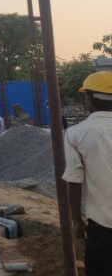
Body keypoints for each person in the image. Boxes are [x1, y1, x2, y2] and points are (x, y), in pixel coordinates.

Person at [63, 71, 112, 275]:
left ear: (89, 99)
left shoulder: (76, 134)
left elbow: (74, 182)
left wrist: (77, 220)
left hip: (102, 227)